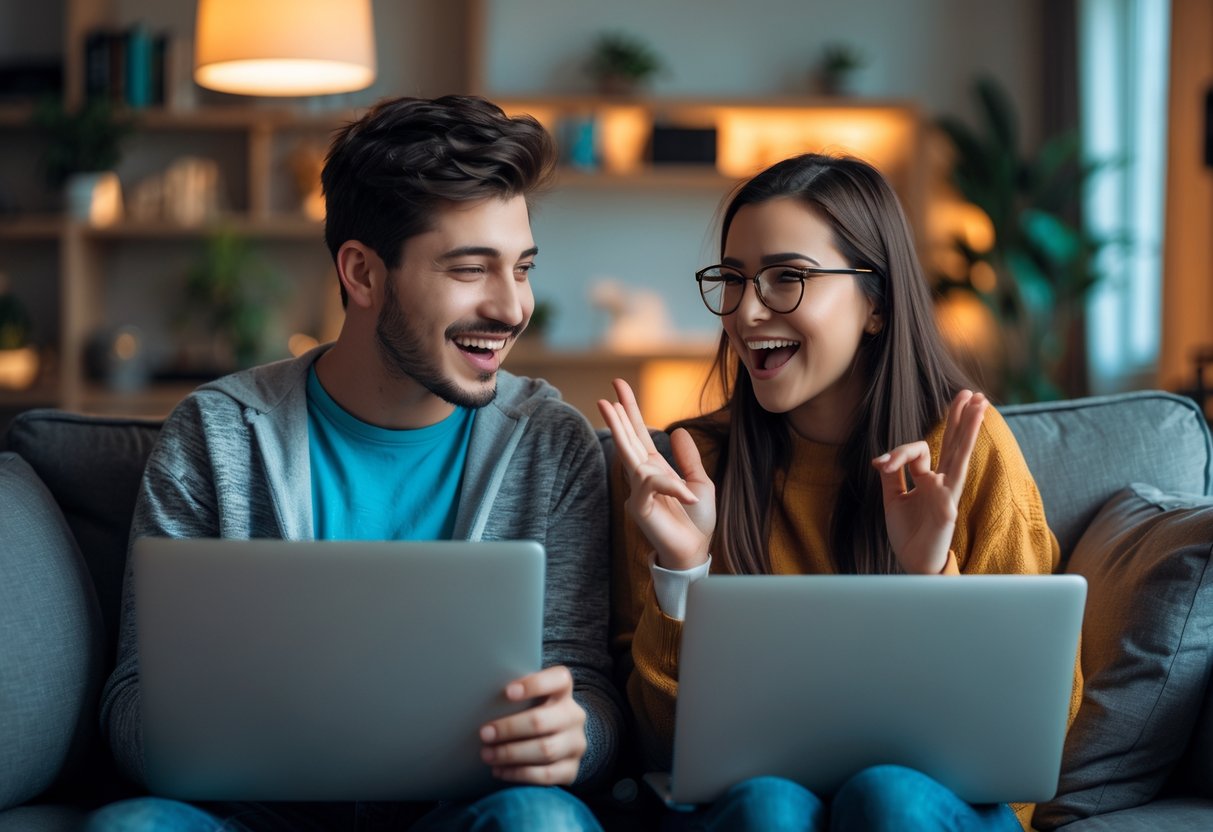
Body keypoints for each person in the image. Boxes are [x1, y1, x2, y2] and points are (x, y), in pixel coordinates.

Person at [87, 95, 621, 832]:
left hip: (463, 810)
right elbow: (131, 706)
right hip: (257, 811)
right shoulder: (216, 435)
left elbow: (588, 690)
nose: (511, 307)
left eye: (521, 268)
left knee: (543, 821)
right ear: (363, 275)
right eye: (472, 270)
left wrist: (575, 737)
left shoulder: (550, 445)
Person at [599, 152, 1082, 832]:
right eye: (732, 281)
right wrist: (683, 573)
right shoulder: (684, 473)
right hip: (749, 809)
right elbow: (655, 750)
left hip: (930, 809)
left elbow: (1038, 728)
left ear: (876, 303)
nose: (746, 311)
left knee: (889, 796)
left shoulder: (963, 451)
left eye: (787, 278)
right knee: (768, 802)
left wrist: (930, 580)